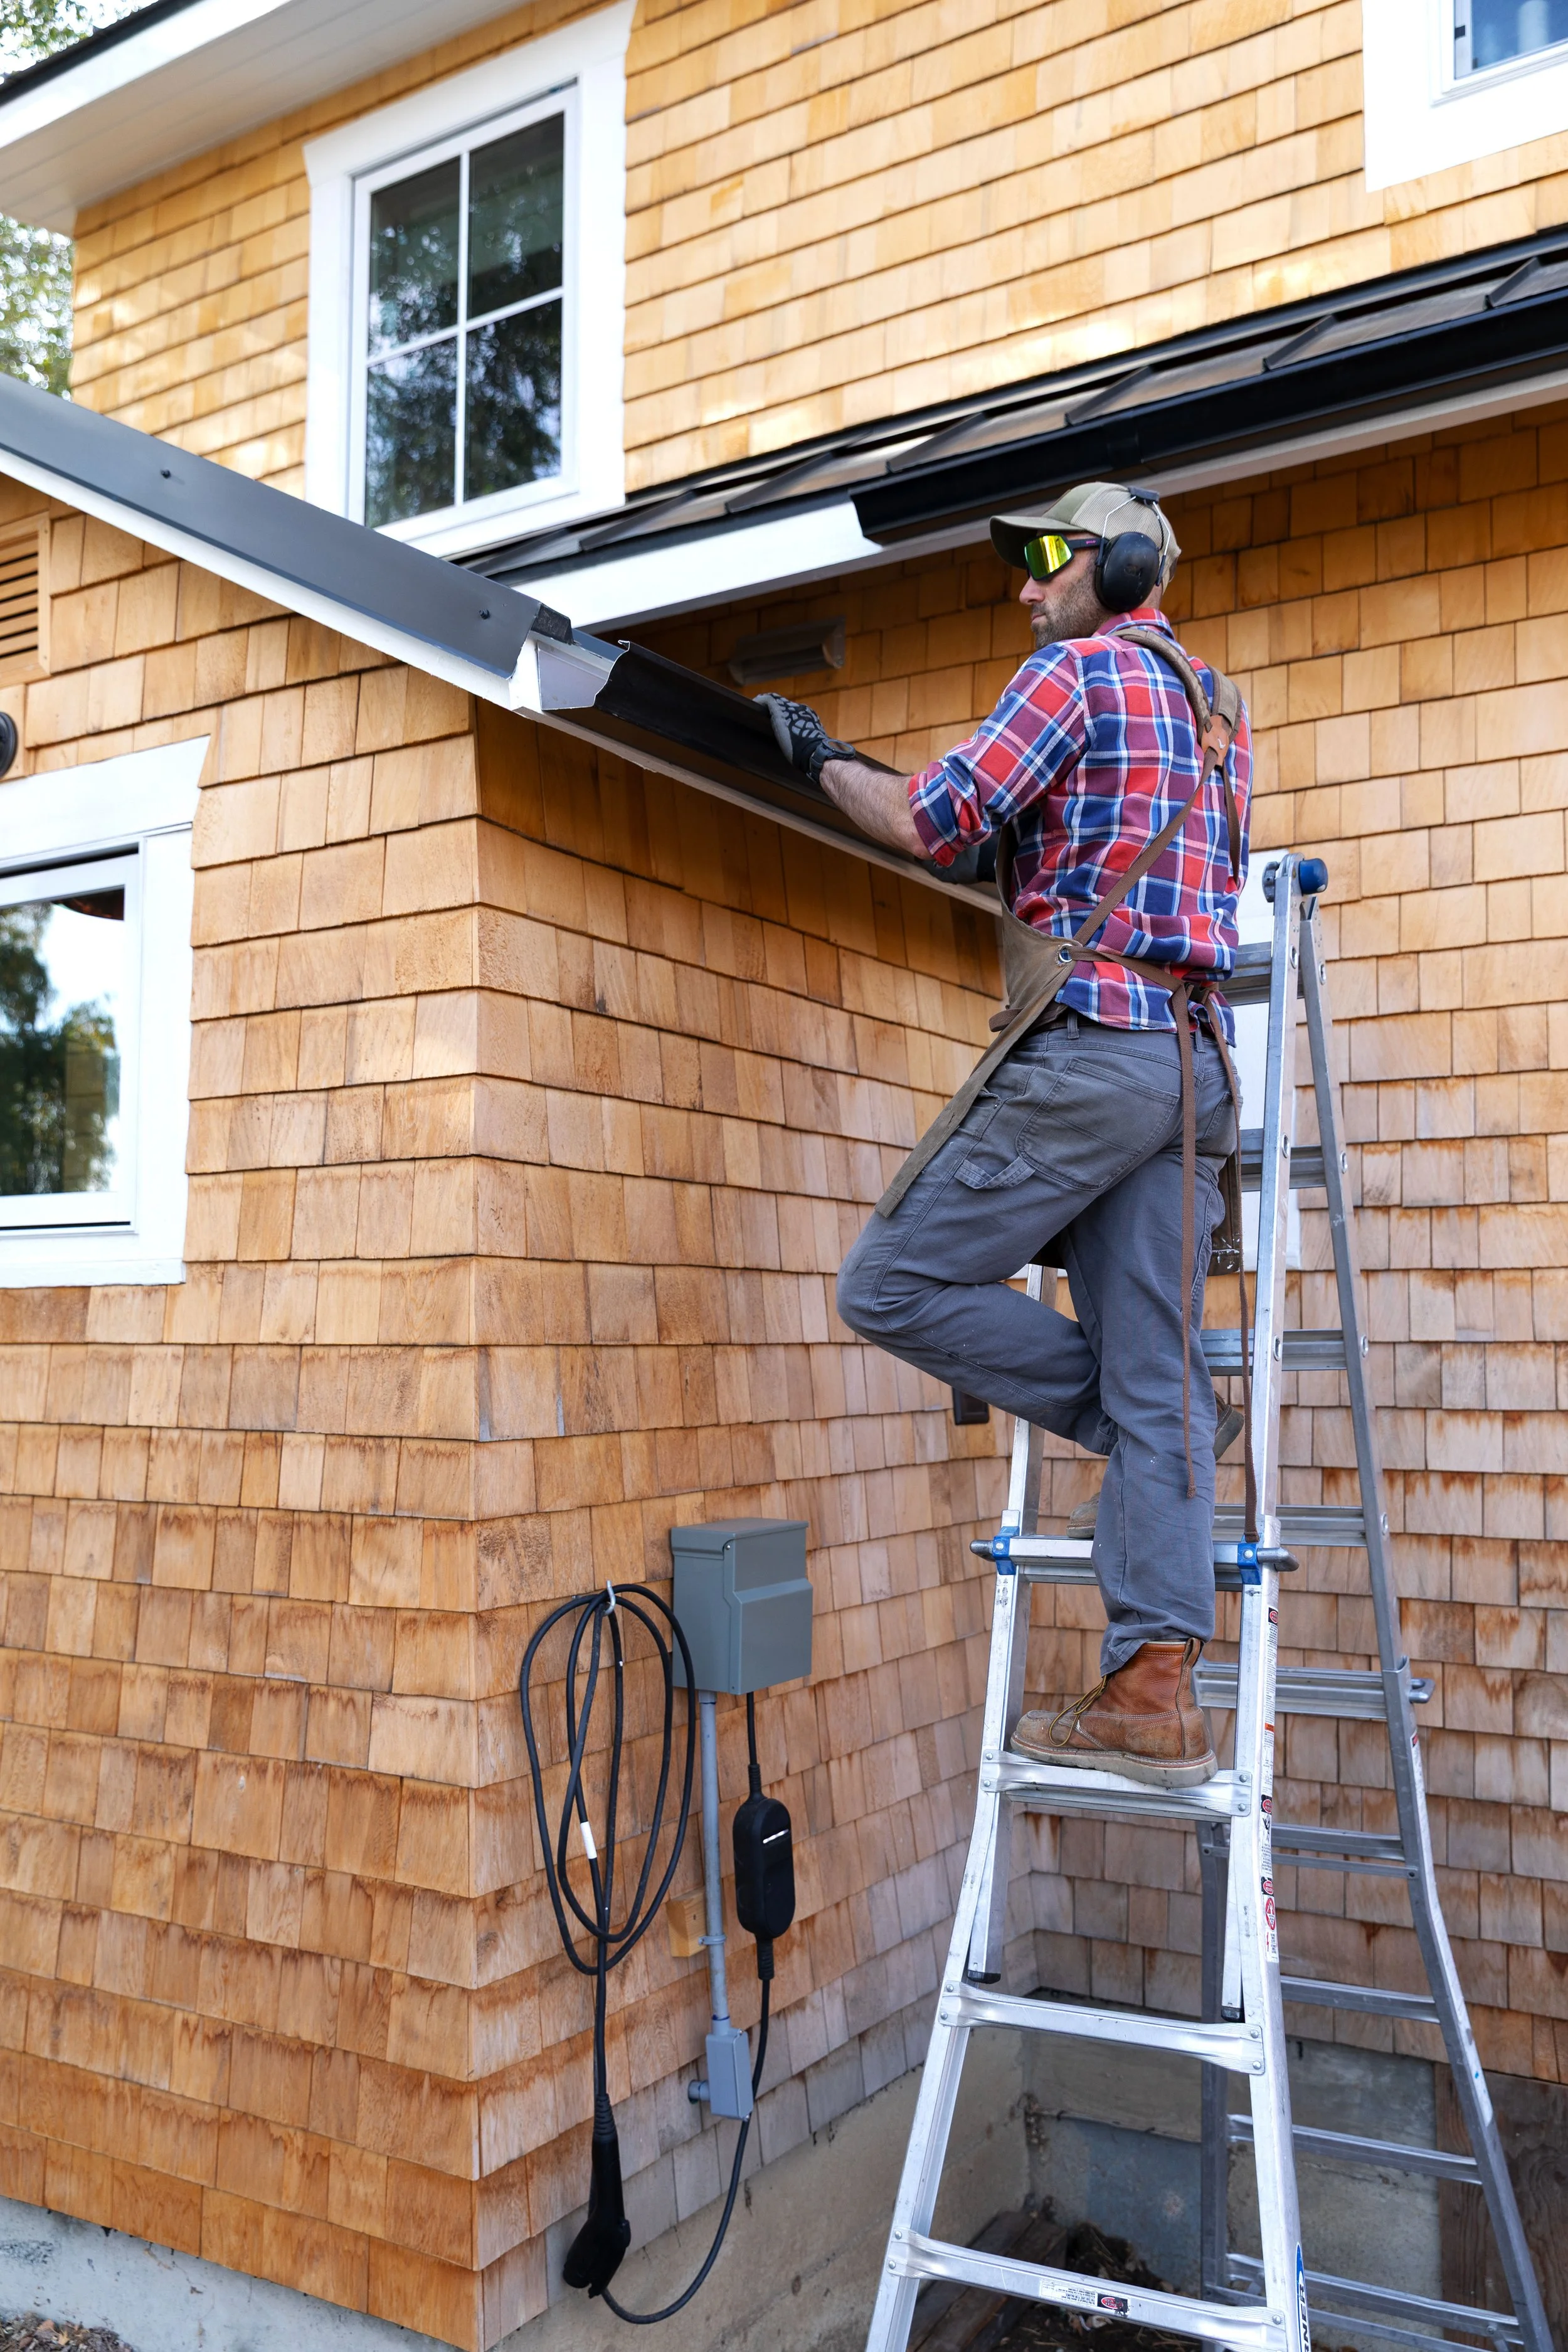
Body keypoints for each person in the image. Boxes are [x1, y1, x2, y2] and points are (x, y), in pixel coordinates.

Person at [761, 482, 1251, 1791]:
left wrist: (818, 761)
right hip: (1191, 1072)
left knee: (890, 1284)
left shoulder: (1076, 675)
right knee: (1156, 1397)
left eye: (1048, 559)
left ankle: (1169, 1431)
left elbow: (932, 822)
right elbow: (1084, 851)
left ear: (1124, 563)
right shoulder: (1218, 712)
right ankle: (1154, 1687)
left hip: (1092, 1053)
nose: (1026, 587)